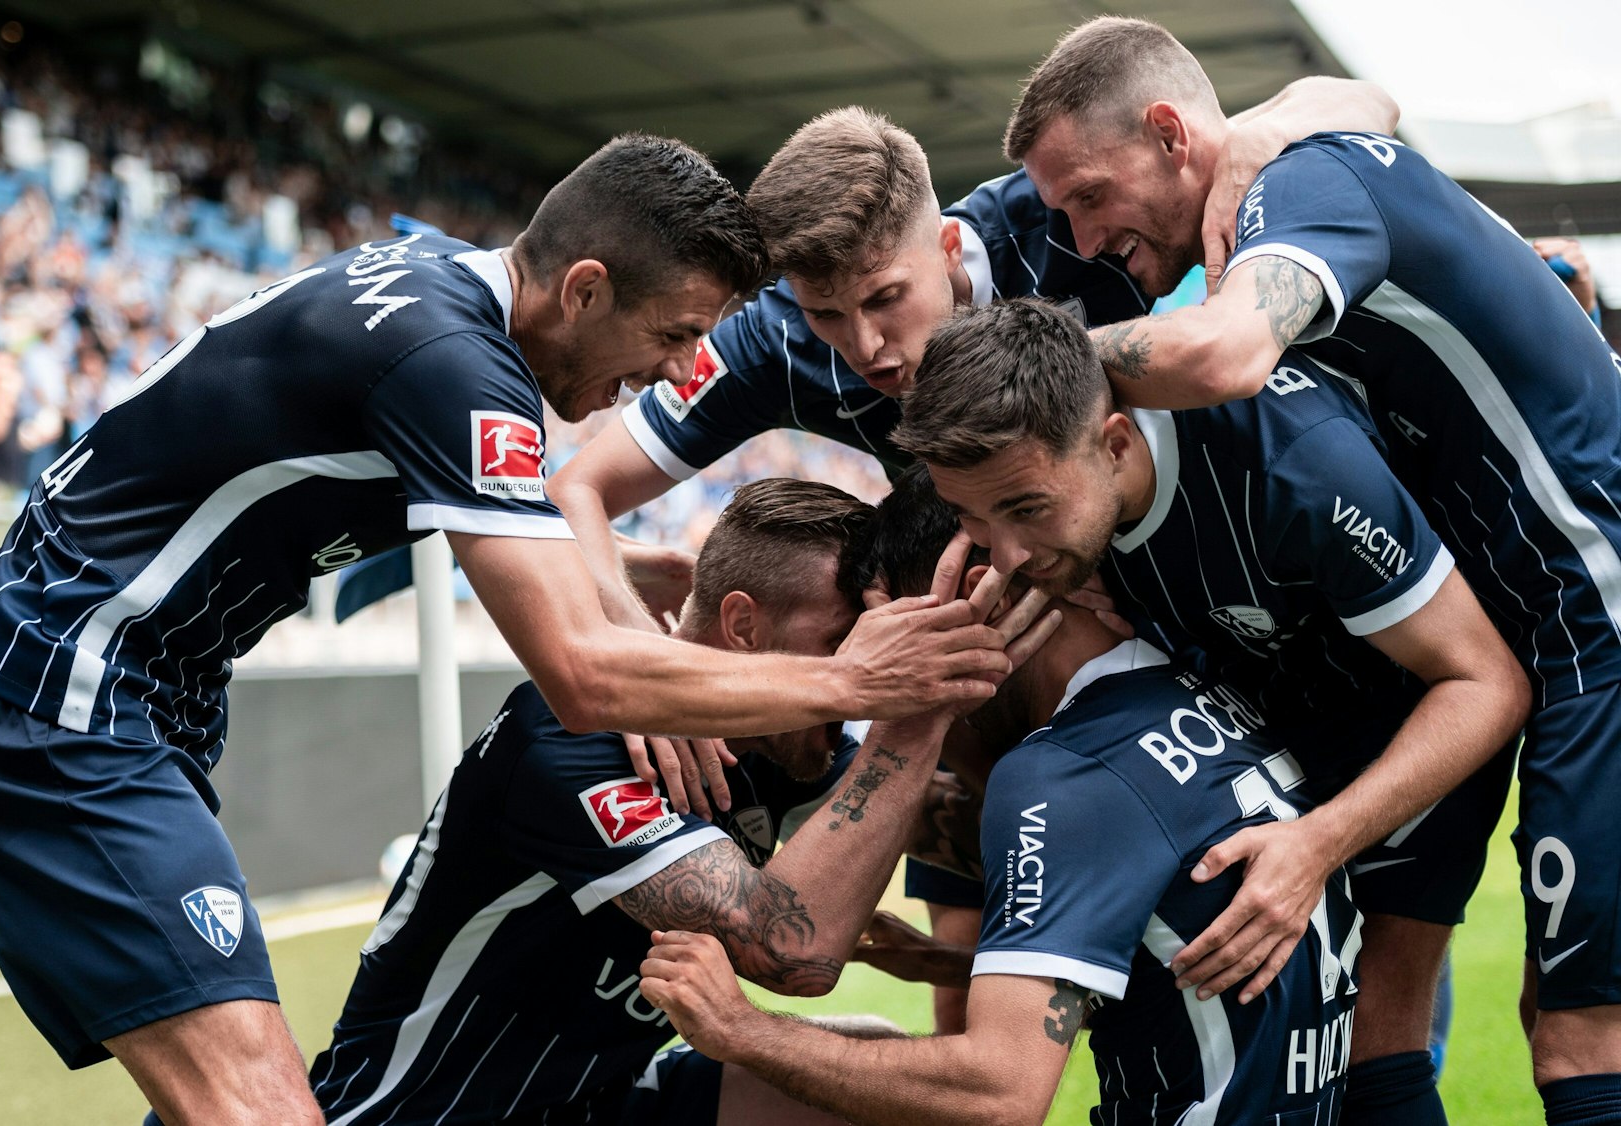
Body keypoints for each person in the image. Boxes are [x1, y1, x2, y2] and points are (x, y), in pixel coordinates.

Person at [0, 135, 1014, 1126]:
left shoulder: (444, 299)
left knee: (220, 1076)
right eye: (676, 334)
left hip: (121, 687)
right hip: (67, 691)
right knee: (255, 1102)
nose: (683, 372)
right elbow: (584, 677)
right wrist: (859, 682)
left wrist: (610, 582)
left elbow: (500, 516)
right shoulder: (455, 361)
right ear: (585, 288)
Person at [1007, 17, 1621, 1121]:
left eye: (1091, 196)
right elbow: (1367, 101)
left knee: (1583, 1040)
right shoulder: (1287, 181)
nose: (1084, 239)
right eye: (1062, 214)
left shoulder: (1301, 188)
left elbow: (1224, 354)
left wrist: (998, 376)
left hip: (1597, 608)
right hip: (1529, 625)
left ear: (1169, 134)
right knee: (1462, 1020)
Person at [550, 84, 1396, 822]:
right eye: (827, 314)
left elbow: (1367, 104)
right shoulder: (774, 340)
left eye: (887, 297)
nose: (865, 346)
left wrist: (1255, 136)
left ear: (948, 248)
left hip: (1212, 601)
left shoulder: (1062, 220)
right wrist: (642, 660)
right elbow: (576, 488)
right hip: (996, 662)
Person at [897, 298, 1532, 1119]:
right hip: (1279, 730)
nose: (1006, 556)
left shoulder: (1295, 466)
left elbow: (1487, 683)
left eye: (1026, 509)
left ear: (1115, 444)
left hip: (1418, 723)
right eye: (971, 518)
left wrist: (1318, 842)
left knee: (1382, 1044)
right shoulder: (1078, 522)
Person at [311, 478, 1054, 1125]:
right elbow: (793, 954)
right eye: (845, 642)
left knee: (888, 1087)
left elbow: (952, 820)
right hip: (425, 1112)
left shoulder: (789, 751)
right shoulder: (575, 741)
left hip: (599, 1099)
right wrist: (917, 710)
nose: (872, 670)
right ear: (743, 626)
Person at [639, 469, 1363, 1125]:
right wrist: (954, 966)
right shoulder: (1197, 686)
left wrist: (742, 1030)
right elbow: (1170, 977)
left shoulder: (1063, 773)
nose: (884, 674)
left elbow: (999, 1095)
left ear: (984, 592)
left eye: (900, 634)